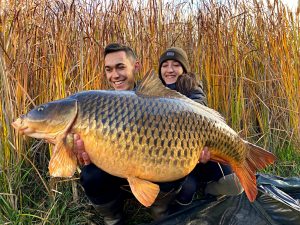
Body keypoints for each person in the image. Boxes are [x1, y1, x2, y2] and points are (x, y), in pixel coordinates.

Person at [157, 47, 243, 208]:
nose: (169, 70)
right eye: (165, 65)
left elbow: (198, 108)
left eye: (176, 65)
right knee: (187, 189)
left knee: (235, 184)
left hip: (201, 150)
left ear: (183, 68)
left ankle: (208, 189)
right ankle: (178, 203)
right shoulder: (151, 91)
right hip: (173, 158)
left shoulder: (193, 88)